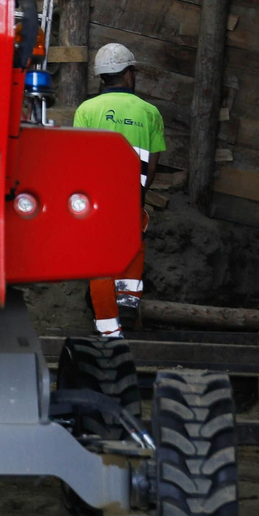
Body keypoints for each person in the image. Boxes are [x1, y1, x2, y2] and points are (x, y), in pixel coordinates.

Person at [72, 42, 164, 338]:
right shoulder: (150, 112)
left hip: (97, 200)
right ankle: (127, 311)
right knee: (131, 251)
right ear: (128, 73)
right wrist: (139, 196)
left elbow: (80, 161)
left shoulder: (86, 110)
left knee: (101, 262)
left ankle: (108, 331)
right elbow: (152, 165)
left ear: (102, 77)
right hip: (131, 198)